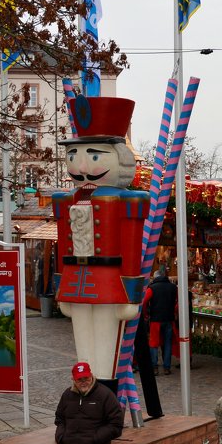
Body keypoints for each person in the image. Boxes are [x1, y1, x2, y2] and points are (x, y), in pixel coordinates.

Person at [52, 96, 150, 383]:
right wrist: (60, 286)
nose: (82, 166)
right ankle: (84, 384)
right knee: (82, 341)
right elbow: (62, 242)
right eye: (74, 156)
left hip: (110, 281)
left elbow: (132, 247)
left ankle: (104, 390)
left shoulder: (126, 200)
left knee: (107, 343)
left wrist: (132, 292)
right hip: (74, 277)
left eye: (94, 156)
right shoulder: (66, 200)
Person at [146, 271, 178, 375]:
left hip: (156, 319)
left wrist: (146, 314)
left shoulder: (152, 288)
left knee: (154, 343)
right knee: (167, 343)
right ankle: (166, 367)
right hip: (169, 318)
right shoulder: (173, 287)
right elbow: (178, 302)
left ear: (155, 277)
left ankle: (154, 367)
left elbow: (144, 301)